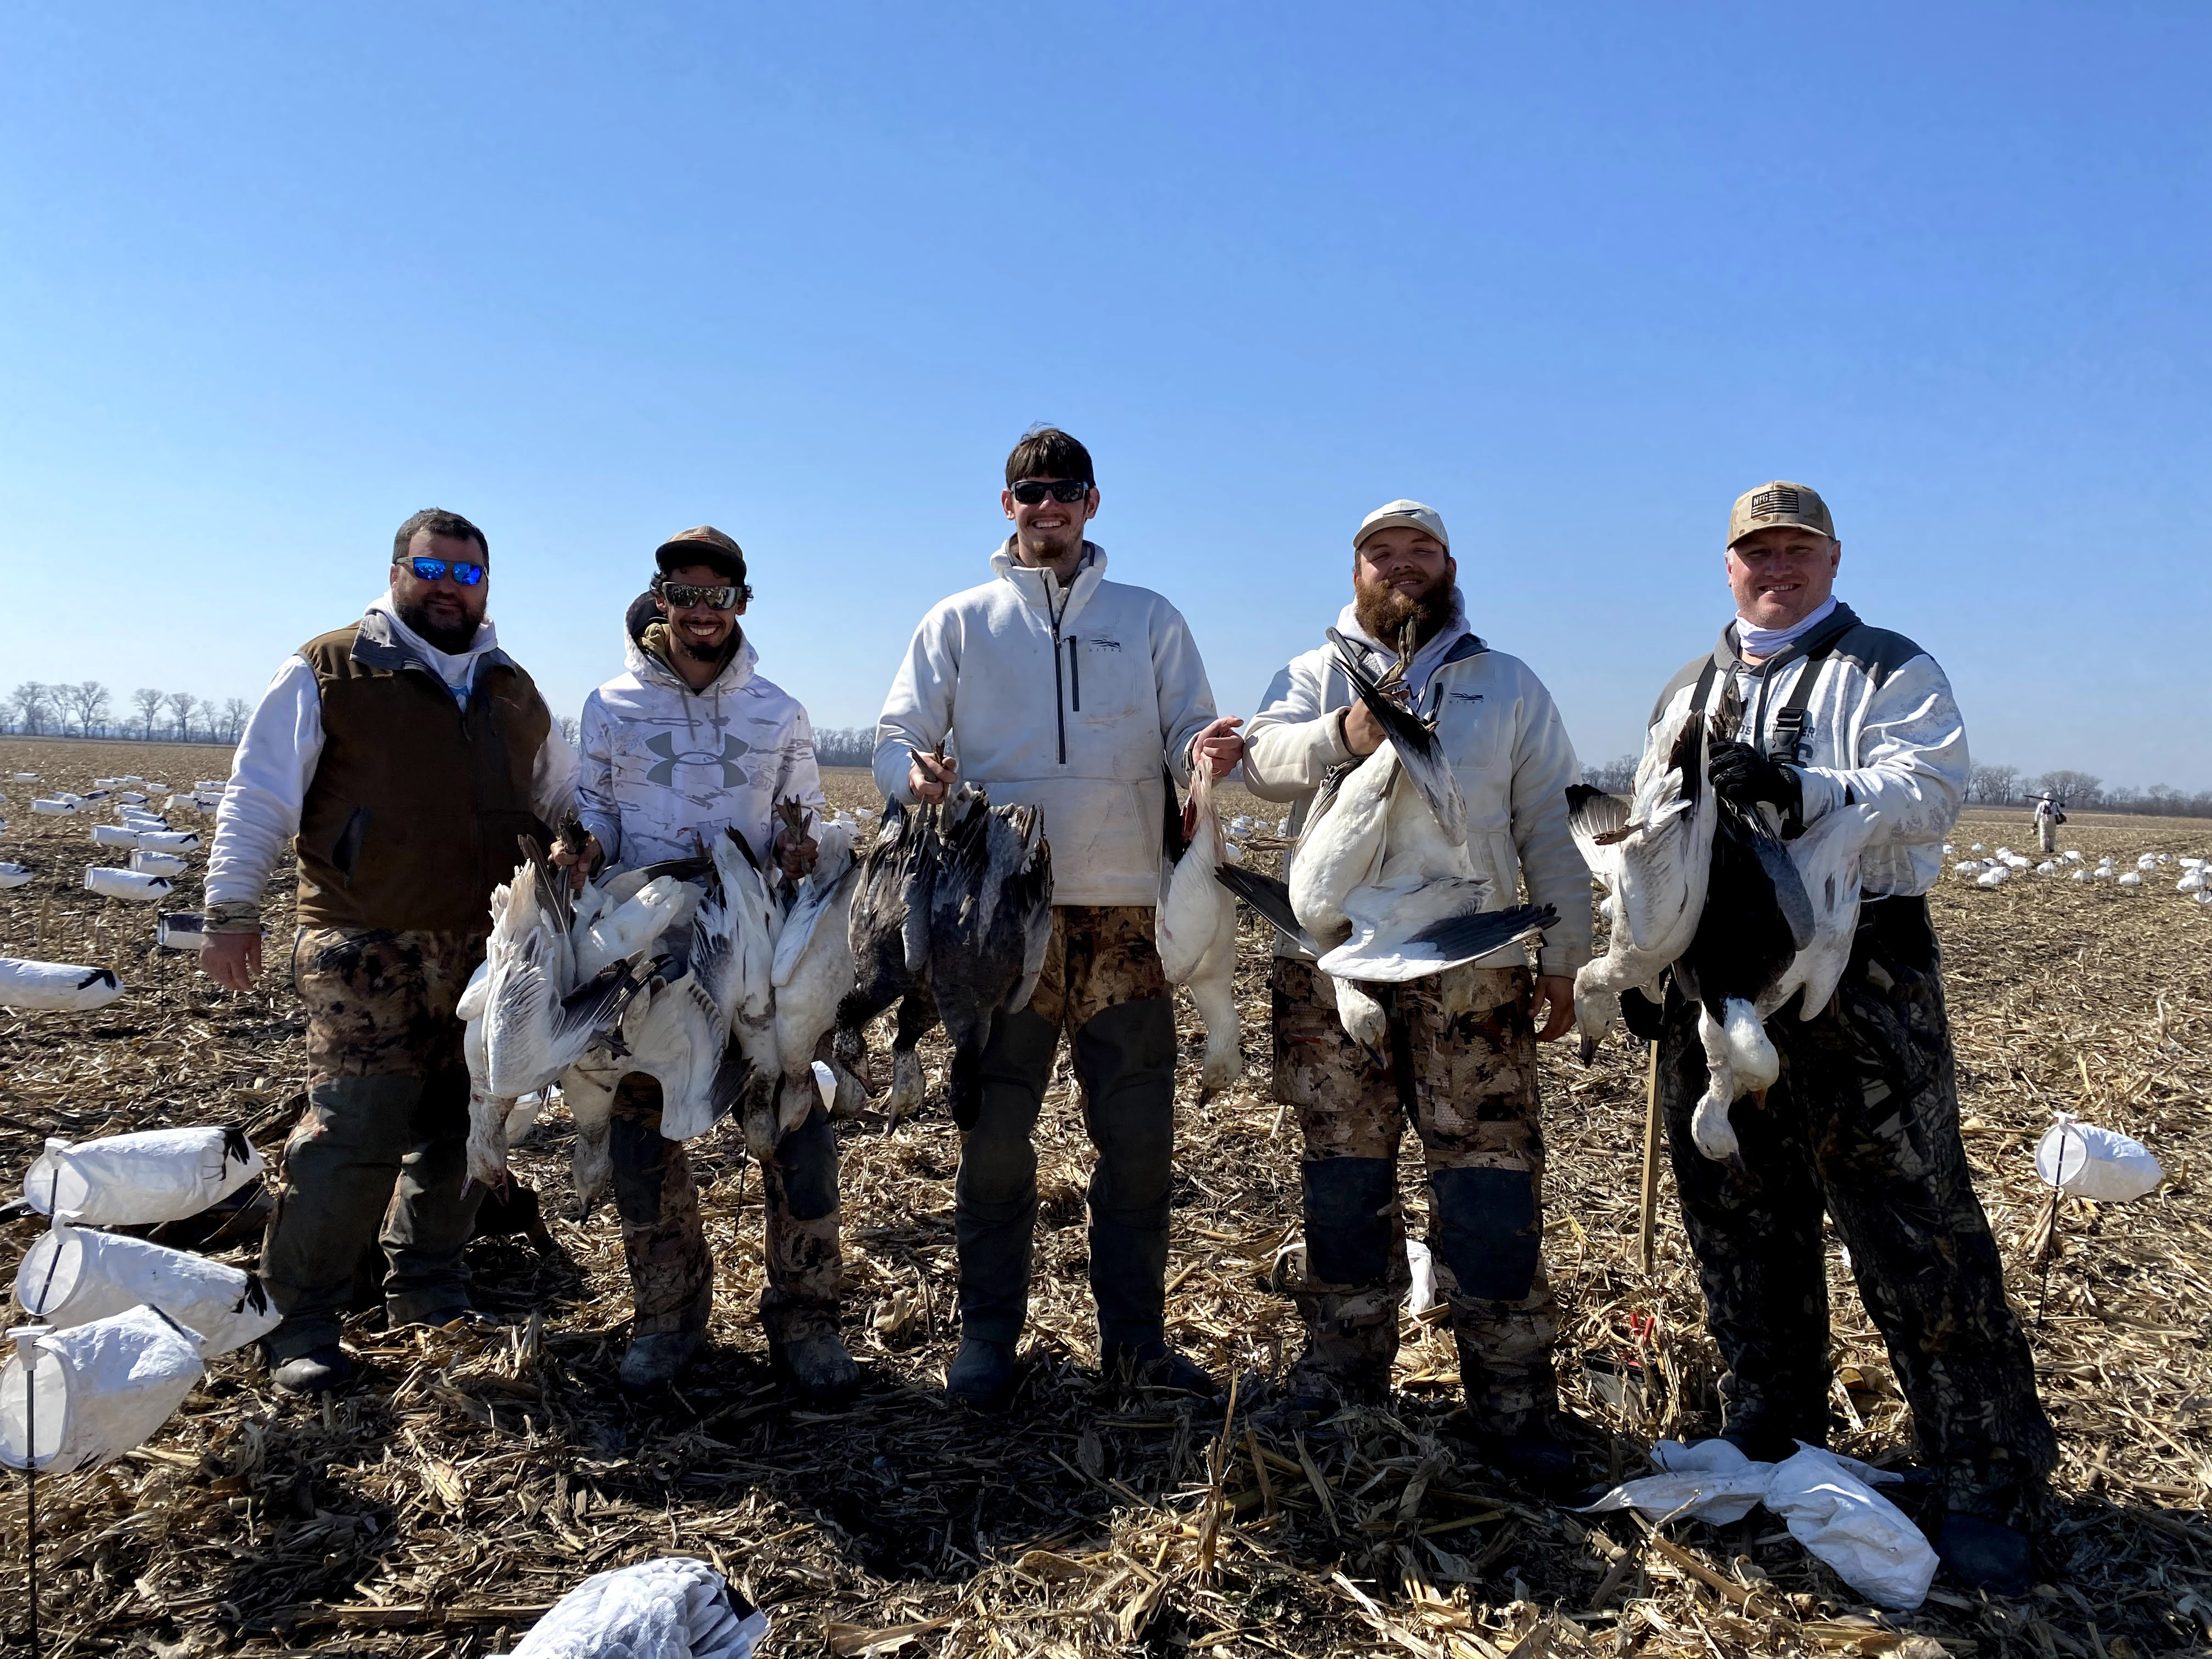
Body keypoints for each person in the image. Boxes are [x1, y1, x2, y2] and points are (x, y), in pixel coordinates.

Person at [1640, 480, 2056, 1593]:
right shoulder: (1690, 686)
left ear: (1833, 560)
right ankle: (1769, 1423)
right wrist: (1641, 965)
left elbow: (1928, 793)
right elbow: (1650, 825)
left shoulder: (1889, 667)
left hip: (1859, 962)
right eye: (1755, 552)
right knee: (1737, 1204)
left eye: (1797, 551)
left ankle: (1988, 1476)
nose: (1775, 568)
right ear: (1728, 565)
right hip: (1716, 973)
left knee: (1913, 1217)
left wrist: (1804, 784)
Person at [873, 427, 1243, 1411]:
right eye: (1030, 492)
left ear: (1091, 503)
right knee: (996, 1136)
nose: (1048, 507)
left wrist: (1203, 754)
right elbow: (898, 734)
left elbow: (1184, 733)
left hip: (1130, 917)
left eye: (1065, 491)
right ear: (1007, 507)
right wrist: (911, 773)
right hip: (1005, 918)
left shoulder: (1148, 617)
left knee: (1138, 1138)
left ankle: (1135, 1340)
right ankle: (988, 1339)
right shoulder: (959, 621)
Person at [1241, 499, 1592, 1482]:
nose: (1401, 567)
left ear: (1448, 565)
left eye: (1419, 551)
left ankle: (1512, 1395)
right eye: (1380, 552)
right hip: (1333, 960)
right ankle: (1340, 1370)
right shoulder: (1310, 674)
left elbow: (1551, 825)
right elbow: (1262, 765)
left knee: (1487, 1171)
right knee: (1341, 1165)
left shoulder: (1504, 683)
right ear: (1354, 570)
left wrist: (1563, 953)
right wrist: (1341, 733)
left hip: (1468, 966)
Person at [202, 509, 575, 1393]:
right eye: (432, 568)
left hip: (490, 947)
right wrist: (229, 908)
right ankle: (298, 1317)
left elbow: (561, 799)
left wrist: (577, 853)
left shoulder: (514, 687)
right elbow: (258, 790)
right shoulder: (331, 666)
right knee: (353, 1132)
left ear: (487, 585)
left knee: (463, 1123)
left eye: (468, 574)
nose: (449, 586)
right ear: (398, 570)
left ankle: (430, 1287)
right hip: (363, 940)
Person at [558, 526, 854, 1397]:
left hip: (754, 936)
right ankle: (667, 1318)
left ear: (740, 606)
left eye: (717, 598)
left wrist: (802, 853)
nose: (699, 612)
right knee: (641, 1126)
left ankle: (807, 1320)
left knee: (794, 1116)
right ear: (660, 599)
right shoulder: (611, 705)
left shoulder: (779, 711)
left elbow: (804, 814)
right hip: (650, 942)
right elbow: (597, 812)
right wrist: (582, 848)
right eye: (682, 594)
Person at [2030, 791, 2063, 855]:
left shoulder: (2042, 804)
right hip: (2053, 819)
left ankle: (2044, 849)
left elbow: (2037, 813)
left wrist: (2036, 822)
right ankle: (2052, 849)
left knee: (2044, 835)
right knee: (2052, 835)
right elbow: (2060, 811)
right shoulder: (2055, 804)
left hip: (2044, 818)